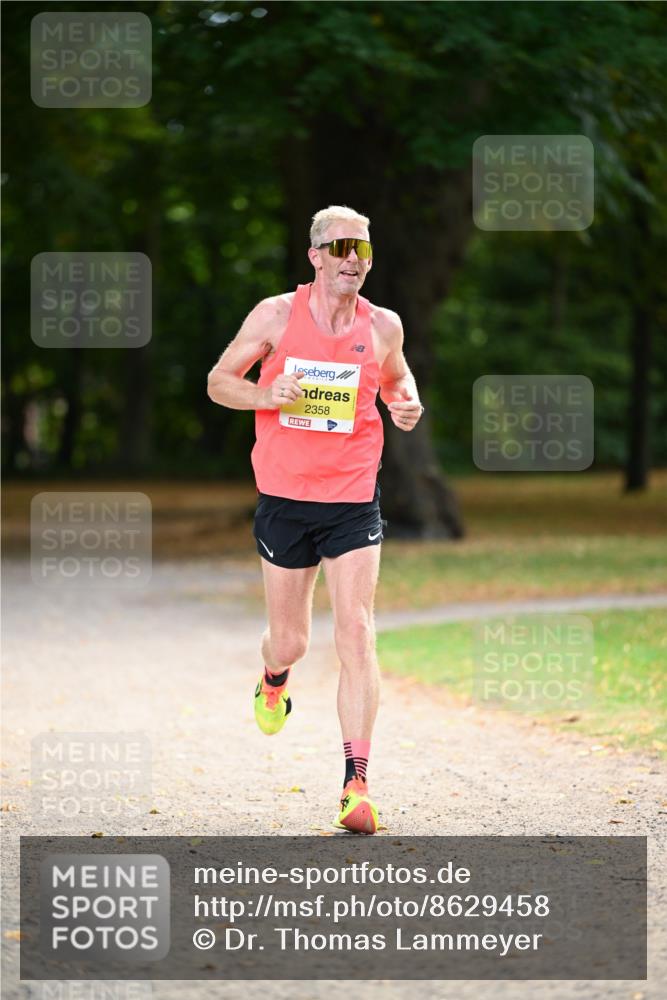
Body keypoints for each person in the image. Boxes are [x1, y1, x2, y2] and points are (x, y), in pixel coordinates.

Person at [207, 205, 423, 834]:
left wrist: (405, 402)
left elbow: (398, 381)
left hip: (354, 497)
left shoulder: (383, 325)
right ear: (315, 257)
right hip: (283, 497)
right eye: (341, 247)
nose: (353, 257)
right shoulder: (276, 315)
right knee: (293, 640)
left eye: (364, 248)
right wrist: (262, 395)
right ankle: (274, 677)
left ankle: (356, 784)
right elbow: (220, 381)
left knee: (355, 630)